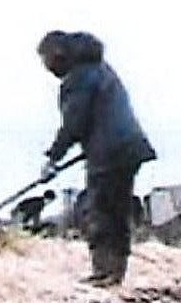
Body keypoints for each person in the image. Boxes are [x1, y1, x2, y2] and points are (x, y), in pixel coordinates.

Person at [35, 30, 157, 286]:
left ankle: (104, 271)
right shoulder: (101, 69)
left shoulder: (78, 79)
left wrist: (53, 159)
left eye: (45, 60)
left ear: (57, 55)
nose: (46, 68)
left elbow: (74, 123)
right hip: (128, 148)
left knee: (99, 211)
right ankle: (115, 272)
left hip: (108, 153)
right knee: (117, 211)